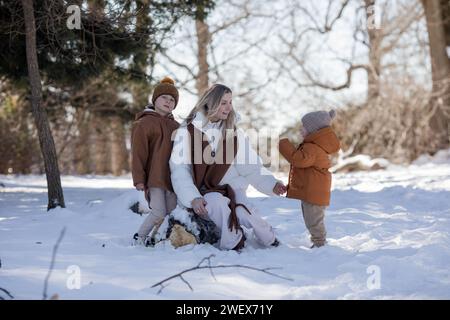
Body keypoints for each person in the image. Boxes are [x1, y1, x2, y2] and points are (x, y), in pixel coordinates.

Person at [170, 84, 286, 250]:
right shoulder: (188, 131)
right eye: (223, 102)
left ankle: (269, 238)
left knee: (244, 212)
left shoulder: (234, 133)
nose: (229, 107)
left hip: (233, 189)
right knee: (217, 204)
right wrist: (192, 197)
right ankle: (234, 241)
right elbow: (180, 169)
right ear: (210, 102)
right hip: (204, 192)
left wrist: (272, 184)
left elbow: (251, 166)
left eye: (230, 102)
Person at [279, 110, 340, 248]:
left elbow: (298, 160)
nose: (300, 129)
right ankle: (319, 241)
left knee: (313, 220)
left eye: (304, 127)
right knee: (311, 219)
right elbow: (305, 172)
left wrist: (283, 145)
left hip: (314, 192)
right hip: (313, 191)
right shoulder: (313, 146)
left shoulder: (312, 148)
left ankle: (320, 243)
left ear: (314, 130)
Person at [131, 77, 180, 246]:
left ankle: (155, 238)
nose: (168, 101)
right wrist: (139, 179)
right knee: (159, 212)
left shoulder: (177, 127)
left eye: (172, 99)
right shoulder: (144, 123)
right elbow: (138, 153)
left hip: (173, 178)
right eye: (164, 97)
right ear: (155, 99)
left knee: (171, 213)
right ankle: (139, 237)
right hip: (154, 177)